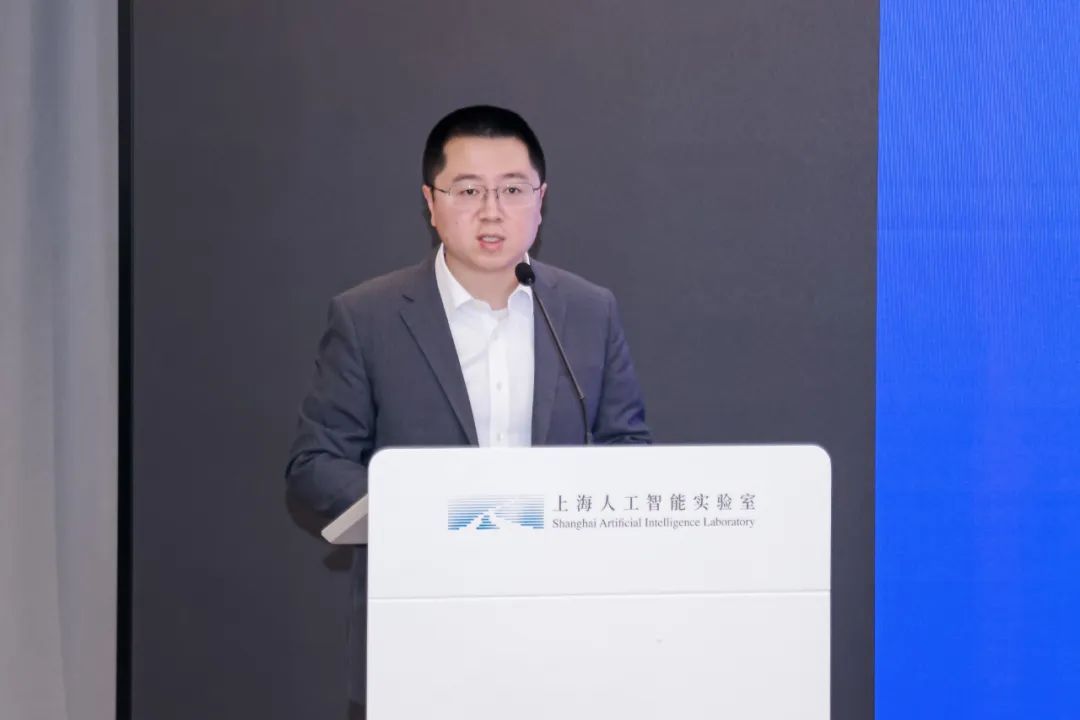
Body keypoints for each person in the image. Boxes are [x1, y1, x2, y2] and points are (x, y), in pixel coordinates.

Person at [285, 105, 651, 714]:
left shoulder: (589, 311)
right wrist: (427, 509)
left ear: (541, 199)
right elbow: (315, 464)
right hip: (420, 621)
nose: (492, 211)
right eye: (469, 190)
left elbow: (627, 449)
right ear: (431, 202)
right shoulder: (368, 317)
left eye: (513, 189)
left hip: (561, 624)